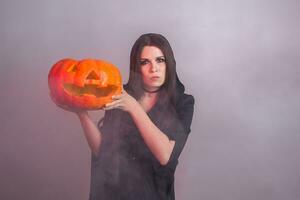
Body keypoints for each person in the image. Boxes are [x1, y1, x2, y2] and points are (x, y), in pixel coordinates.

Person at [54, 33, 194, 200]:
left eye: (160, 60)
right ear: (136, 67)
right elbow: (103, 151)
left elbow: (165, 155)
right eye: (145, 62)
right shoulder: (119, 93)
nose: (154, 68)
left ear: (169, 63)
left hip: (154, 195)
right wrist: (81, 114)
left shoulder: (183, 103)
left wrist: (133, 107)